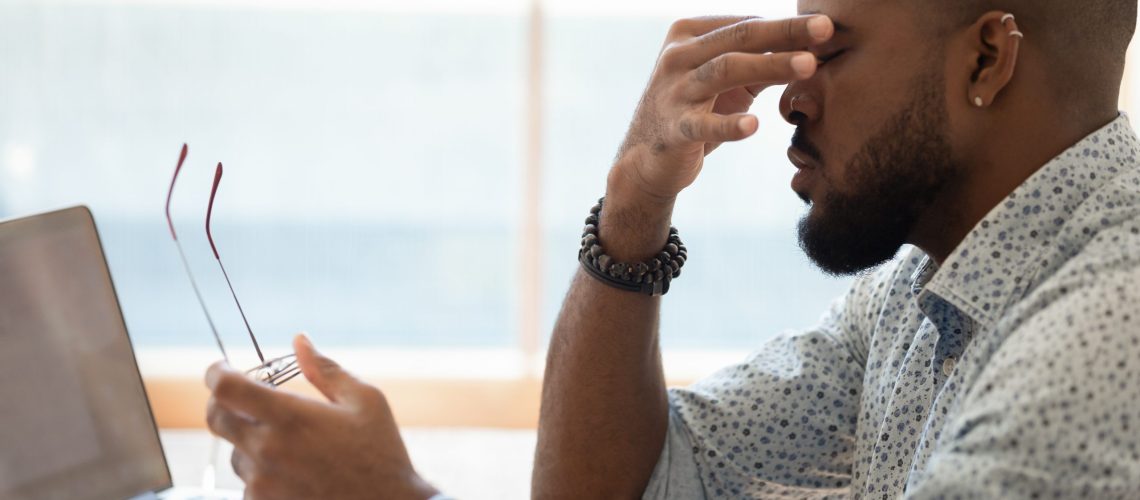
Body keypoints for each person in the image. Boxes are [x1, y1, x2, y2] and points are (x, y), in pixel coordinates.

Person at [205, 0, 1140, 498]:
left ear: (987, 61)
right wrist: (632, 206)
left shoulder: (1106, 344)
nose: (790, 95)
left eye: (831, 50)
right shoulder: (921, 292)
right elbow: (632, 486)